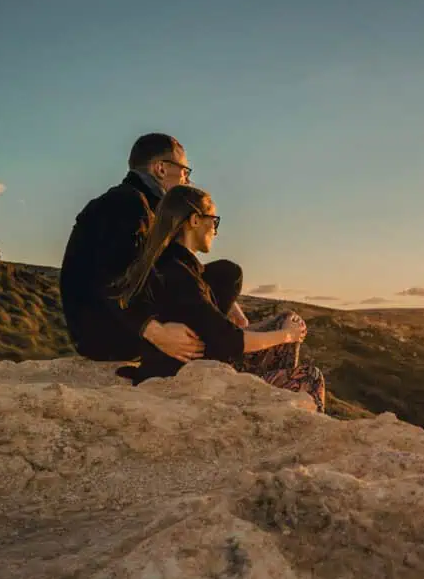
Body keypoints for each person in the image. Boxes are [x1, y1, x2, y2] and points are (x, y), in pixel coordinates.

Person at [112, 184, 327, 413]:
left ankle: (278, 404)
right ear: (195, 221)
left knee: (286, 317)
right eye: (213, 221)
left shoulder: (168, 264)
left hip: (191, 362)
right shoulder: (180, 275)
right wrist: (286, 336)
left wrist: (234, 310)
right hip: (188, 379)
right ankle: (281, 412)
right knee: (311, 376)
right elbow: (229, 340)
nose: (215, 230)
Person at [59, 133, 249, 363]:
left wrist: (227, 306)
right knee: (226, 274)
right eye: (184, 171)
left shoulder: (148, 207)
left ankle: (216, 345)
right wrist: (158, 333)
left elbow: (178, 265)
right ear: (160, 168)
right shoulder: (127, 203)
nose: (187, 180)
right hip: (106, 334)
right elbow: (112, 280)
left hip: (113, 325)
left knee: (223, 275)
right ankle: (209, 351)